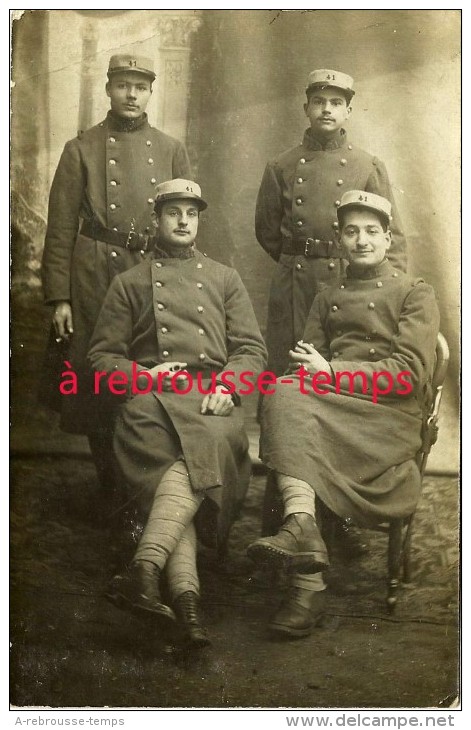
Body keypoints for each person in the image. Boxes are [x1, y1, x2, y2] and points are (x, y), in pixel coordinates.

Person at [248, 190, 439, 638]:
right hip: (332, 410)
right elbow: (305, 359)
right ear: (338, 239)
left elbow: (408, 376)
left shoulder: (415, 293)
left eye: (372, 231)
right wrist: (311, 368)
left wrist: (331, 370)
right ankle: (305, 550)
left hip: (385, 420)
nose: (361, 240)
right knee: (282, 390)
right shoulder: (327, 295)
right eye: (351, 231)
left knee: (288, 398)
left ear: (388, 238)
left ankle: (302, 562)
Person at [88, 179, 267, 646]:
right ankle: (188, 606)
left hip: (212, 397)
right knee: (179, 468)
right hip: (150, 398)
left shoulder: (225, 277)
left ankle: (144, 572)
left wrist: (230, 385)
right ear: (157, 219)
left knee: (197, 454)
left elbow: (251, 348)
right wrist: (143, 378)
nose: (183, 220)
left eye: (191, 212)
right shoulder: (128, 282)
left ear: (199, 220)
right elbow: (101, 358)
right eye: (173, 212)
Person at [255, 67, 408, 545]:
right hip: (295, 286)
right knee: (288, 383)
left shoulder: (366, 164)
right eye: (319, 100)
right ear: (306, 107)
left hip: (347, 284)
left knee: (337, 387)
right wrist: (300, 263)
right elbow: (267, 230)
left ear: (348, 109)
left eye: (336, 101)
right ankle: (286, 507)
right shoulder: (281, 165)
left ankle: (337, 509)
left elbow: (392, 236)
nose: (326, 108)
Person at [41, 53, 191, 500]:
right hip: (93, 272)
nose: (131, 94)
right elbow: (61, 226)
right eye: (123, 85)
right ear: (108, 89)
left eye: (140, 87)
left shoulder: (170, 149)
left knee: (148, 364)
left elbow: (184, 222)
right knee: (97, 370)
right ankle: (111, 481)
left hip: (151, 271)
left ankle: (146, 479)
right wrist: (59, 298)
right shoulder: (81, 147)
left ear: (150, 93)